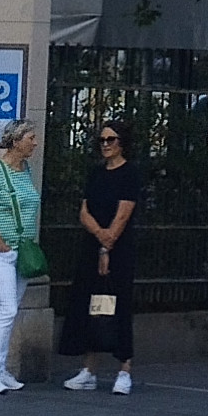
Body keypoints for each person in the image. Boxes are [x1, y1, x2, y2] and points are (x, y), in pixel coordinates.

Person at [61, 119, 145, 394]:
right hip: (93, 243)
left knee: (118, 305)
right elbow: (84, 211)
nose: (106, 145)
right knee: (91, 305)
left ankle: (124, 369)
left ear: (122, 143)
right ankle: (89, 369)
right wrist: (99, 237)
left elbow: (123, 213)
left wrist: (107, 246)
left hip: (119, 248)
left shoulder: (130, 174)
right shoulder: (96, 173)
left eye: (111, 140)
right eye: (102, 140)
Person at [0, 118, 42, 394]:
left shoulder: (26, 171)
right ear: (16, 141)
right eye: (30, 138)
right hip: (1, 252)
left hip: (22, 250)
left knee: (12, 311)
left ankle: (0, 369)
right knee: (7, 309)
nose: (34, 143)